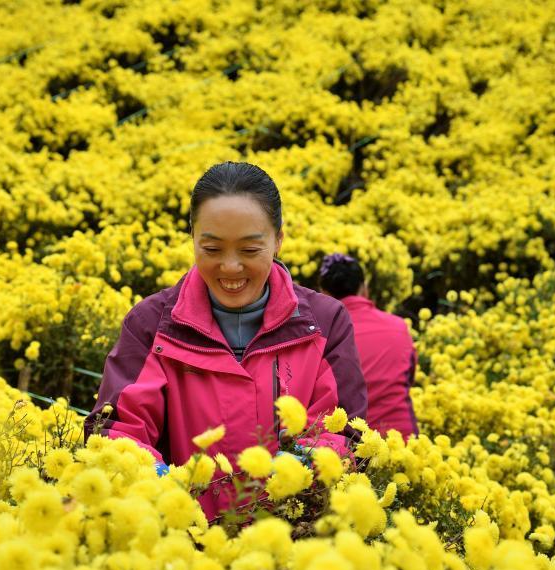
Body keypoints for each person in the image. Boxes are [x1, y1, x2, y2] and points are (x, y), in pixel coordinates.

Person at [83, 162, 368, 521]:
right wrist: (157, 482)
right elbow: (116, 430)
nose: (230, 268)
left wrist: (305, 464)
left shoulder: (325, 323)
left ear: (279, 239)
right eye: (212, 249)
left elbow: (347, 433)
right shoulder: (150, 324)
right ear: (192, 238)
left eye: (250, 250)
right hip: (180, 545)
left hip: (295, 546)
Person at [318, 254, 419, 439]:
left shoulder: (321, 335)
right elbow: (409, 378)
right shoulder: (399, 326)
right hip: (405, 442)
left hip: (351, 447)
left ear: (323, 294)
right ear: (364, 288)